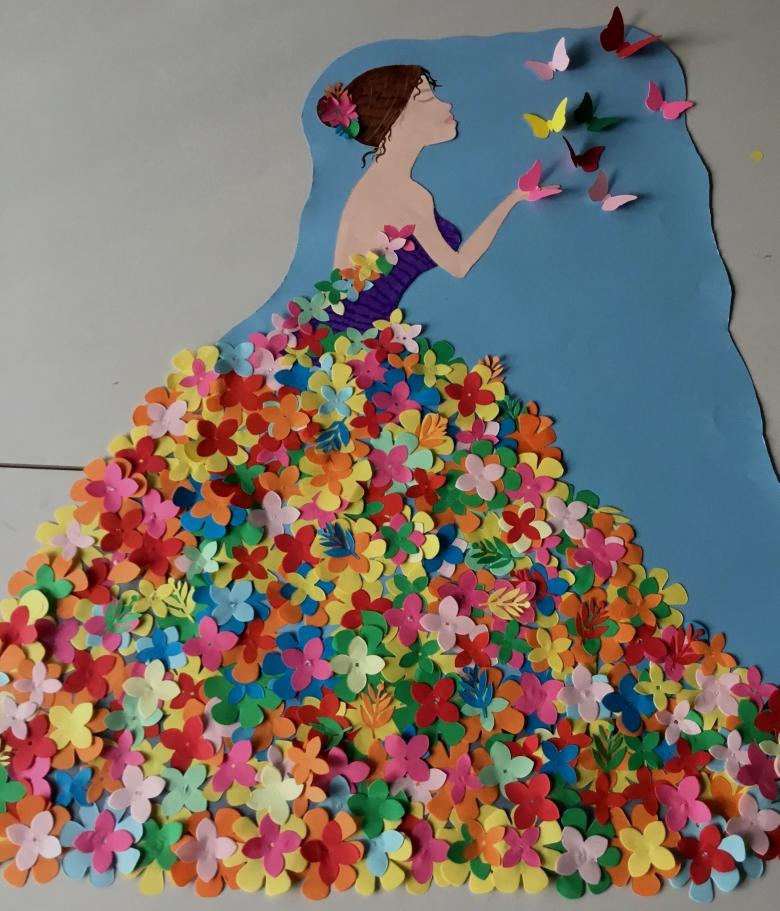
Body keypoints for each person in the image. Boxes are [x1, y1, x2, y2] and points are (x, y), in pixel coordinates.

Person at [0, 63, 775, 900]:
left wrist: (512, 200)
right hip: (348, 373)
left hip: (386, 360)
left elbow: (459, 264)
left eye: (439, 93)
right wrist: (341, 374)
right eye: (432, 96)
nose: (447, 106)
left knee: (469, 530)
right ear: (399, 113)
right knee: (375, 529)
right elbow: (339, 290)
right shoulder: (379, 193)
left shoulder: (412, 192)